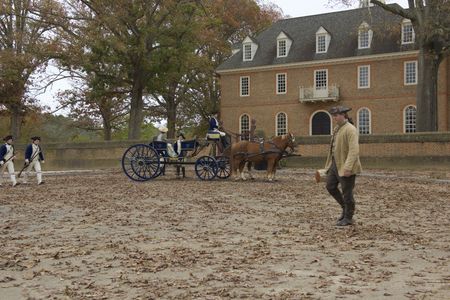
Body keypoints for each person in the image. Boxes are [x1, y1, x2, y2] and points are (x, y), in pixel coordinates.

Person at [324, 106, 362, 226]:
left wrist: (348, 167)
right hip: (335, 163)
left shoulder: (350, 129)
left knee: (347, 192)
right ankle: (345, 208)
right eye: (333, 115)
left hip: (346, 166)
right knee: (330, 186)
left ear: (343, 115)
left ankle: (349, 217)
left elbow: (354, 150)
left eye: (336, 115)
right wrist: (329, 165)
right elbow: (333, 148)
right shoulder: (337, 129)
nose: (334, 117)